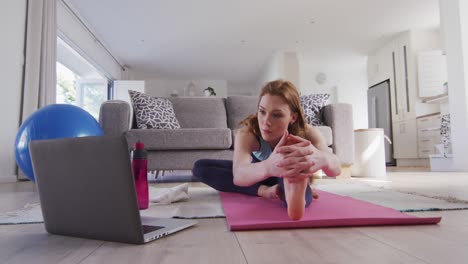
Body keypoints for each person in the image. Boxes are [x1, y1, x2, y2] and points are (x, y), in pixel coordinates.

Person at [192, 80, 341, 220]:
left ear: (293, 117)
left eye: (276, 115)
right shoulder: (248, 133)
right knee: (201, 167)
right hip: (257, 174)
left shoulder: (308, 132)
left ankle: (294, 191)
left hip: (285, 173)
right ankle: (263, 190)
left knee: (294, 181)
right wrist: (268, 167)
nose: (266, 122)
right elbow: (239, 175)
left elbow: (335, 169)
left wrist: (322, 158)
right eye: (262, 111)